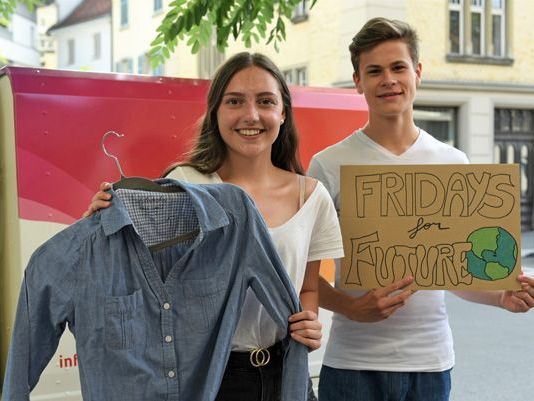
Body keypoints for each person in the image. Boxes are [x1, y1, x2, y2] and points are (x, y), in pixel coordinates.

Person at [83, 51, 344, 401]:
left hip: (288, 374)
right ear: (215, 112)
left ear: (282, 112)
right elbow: (132, 278)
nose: (251, 115)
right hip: (206, 377)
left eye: (265, 101)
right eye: (235, 101)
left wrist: (309, 322)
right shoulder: (185, 185)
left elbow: (308, 288)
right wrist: (99, 224)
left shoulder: (311, 196)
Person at [307, 17, 534, 401]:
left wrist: (500, 296)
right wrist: (351, 306)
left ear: (418, 73)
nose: (388, 80)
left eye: (398, 67)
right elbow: (304, 276)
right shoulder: (328, 164)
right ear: (358, 81)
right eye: (374, 71)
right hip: (352, 364)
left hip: (430, 365)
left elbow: (455, 271)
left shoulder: (452, 162)